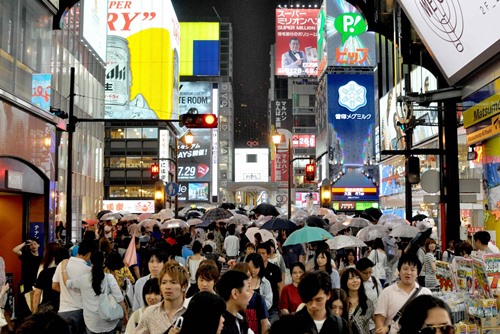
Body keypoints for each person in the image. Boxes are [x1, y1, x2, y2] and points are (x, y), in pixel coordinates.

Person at [61, 250, 128, 334]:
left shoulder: (83, 279)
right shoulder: (109, 278)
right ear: (103, 261)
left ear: (90, 261)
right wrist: (125, 315)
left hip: (92, 323)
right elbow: (120, 299)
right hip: (109, 321)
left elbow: (67, 283)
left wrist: (63, 268)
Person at [373, 253, 433, 334]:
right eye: (405, 269)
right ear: (399, 270)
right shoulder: (387, 293)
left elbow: (432, 319)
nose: (408, 272)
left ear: (418, 273)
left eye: (412, 270)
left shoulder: (426, 293)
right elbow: (379, 320)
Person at [52, 238, 95, 334]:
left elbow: (54, 286)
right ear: (89, 254)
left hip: (63, 311)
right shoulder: (88, 270)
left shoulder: (62, 264)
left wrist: (66, 292)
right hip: (80, 311)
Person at [135, 262, 189, 334]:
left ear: (184, 286)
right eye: (164, 282)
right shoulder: (150, 313)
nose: (168, 287)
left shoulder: (193, 312)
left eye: (173, 282)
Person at [233, 262, 269, 334]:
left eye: (249, 276)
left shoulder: (258, 299)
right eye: (243, 277)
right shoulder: (232, 298)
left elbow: (264, 323)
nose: (247, 280)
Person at [12, 238, 42, 317]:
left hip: (37, 285)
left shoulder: (42, 258)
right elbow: (15, 250)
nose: (33, 246)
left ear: (39, 245)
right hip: (25, 284)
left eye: (35, 244)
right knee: (24, 302)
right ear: (29, 247)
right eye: (31, 244)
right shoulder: (26, 255)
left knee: (35, 303)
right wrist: (25, 243)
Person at [32, 246, 68, 313]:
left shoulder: (45, 272)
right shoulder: (69, 274)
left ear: (54, 258)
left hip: (47, 307)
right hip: (64, 307)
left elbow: (37, 293)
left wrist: (35, 311)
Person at [217, 270, 253, 334]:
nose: (250, 294)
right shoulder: (221, 326)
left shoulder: (241, 318)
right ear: (235, 293)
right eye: (247, 290)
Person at [340, 268, 374, 334]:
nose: (355, 281)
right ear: (345, 281)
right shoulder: (341, 302)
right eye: (351, 278)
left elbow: (377, 321)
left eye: (357, 277)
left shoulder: (368, 302)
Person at [255, 241, 282, 323]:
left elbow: (279, 287)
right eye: (259, 253)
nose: (261, 255)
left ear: (268, 255)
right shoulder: (254, 270)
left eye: (263, 253)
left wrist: (280, 305)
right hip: (257, 307)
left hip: (273, 307)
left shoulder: (275, 269)